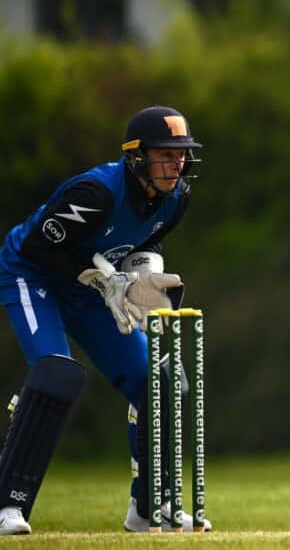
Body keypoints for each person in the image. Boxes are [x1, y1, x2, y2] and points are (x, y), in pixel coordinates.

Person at [0, 106, 211, 534]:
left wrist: (141, 280)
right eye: (165, 155)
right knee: (55, 373)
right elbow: (40, 249)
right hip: (32, 273)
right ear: (136, 157)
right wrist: (102, 279)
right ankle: (7, 505)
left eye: (182, 154)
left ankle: (150, 507)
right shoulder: (94, 193)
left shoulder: (177, 197)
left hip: (92, 289)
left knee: (160, 381)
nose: (177, 164)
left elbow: (145, 240)